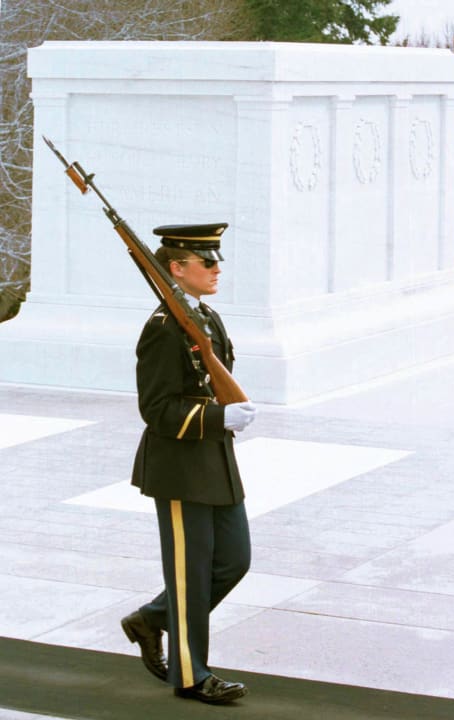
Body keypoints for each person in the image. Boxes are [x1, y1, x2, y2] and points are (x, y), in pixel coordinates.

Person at [121, 222, 256, 705]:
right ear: (176, 268)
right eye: (207, 261)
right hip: (179, 465)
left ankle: (152, 619)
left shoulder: (208, 318)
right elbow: (156, 410)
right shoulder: (162, 330)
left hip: (215, 462)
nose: (217, 268)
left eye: (217, 260)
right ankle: (191, 675)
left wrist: (226, 416)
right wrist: (219, 417)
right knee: (190, 575)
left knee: (234, 561)